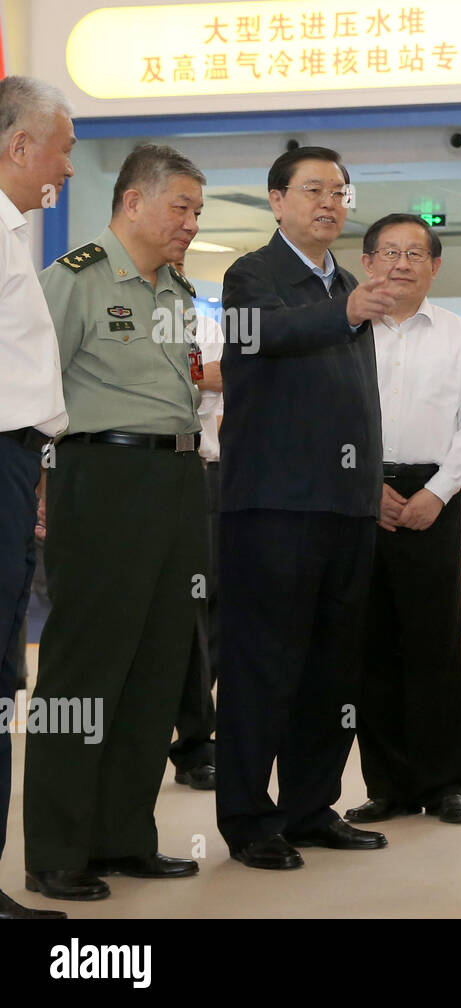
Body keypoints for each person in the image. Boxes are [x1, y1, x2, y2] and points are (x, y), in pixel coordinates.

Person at [26, 144, 207, 902]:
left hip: (176, 478)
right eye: (181, 208)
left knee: (157, 665)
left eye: (197, 212)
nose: (191, 225)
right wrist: (39, 483)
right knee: (84, 668)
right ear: (133, 201)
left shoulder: (178, 292)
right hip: (101, 476)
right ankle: (58, 850)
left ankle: (126, 835)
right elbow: (34, 386)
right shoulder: (74, 279)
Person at [217, 145, 394, 870]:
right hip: (275, 506)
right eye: (313, 189)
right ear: (277, 201)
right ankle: (249, 820)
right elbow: (256, 338)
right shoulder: (251, 275)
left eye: (340, 191)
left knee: (331, 669)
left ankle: (311, 806)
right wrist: (342, 311)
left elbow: (356, 402)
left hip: (347, 508)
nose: (329, 202)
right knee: (264, 666)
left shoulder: (349, 281)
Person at [344, 213, 461, 826]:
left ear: (435, 266)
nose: (401, 263)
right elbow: (328, 420)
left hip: (436, 496)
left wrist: (438, 491)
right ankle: (389, 785)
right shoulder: (346, 333)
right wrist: (364, 485)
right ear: (368, 261)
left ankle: (446, 782)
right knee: (370, 644)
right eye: (389, 252)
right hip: (359, 495)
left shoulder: (460, 336)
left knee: (433, 644)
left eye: (415, 253)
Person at [0, 76, 74, 920]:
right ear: (21, 147)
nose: (67, 161)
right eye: (62, 144)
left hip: (17, 462)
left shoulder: (16, 231)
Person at [169, 264, 223, 791]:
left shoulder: (203, 325)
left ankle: (202, 742)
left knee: (218, 611)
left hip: (211, 475)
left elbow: (226, 379)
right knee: (186, 618)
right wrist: (192, 374)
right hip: (149, 474)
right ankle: (193, 742)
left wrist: (188, 374)